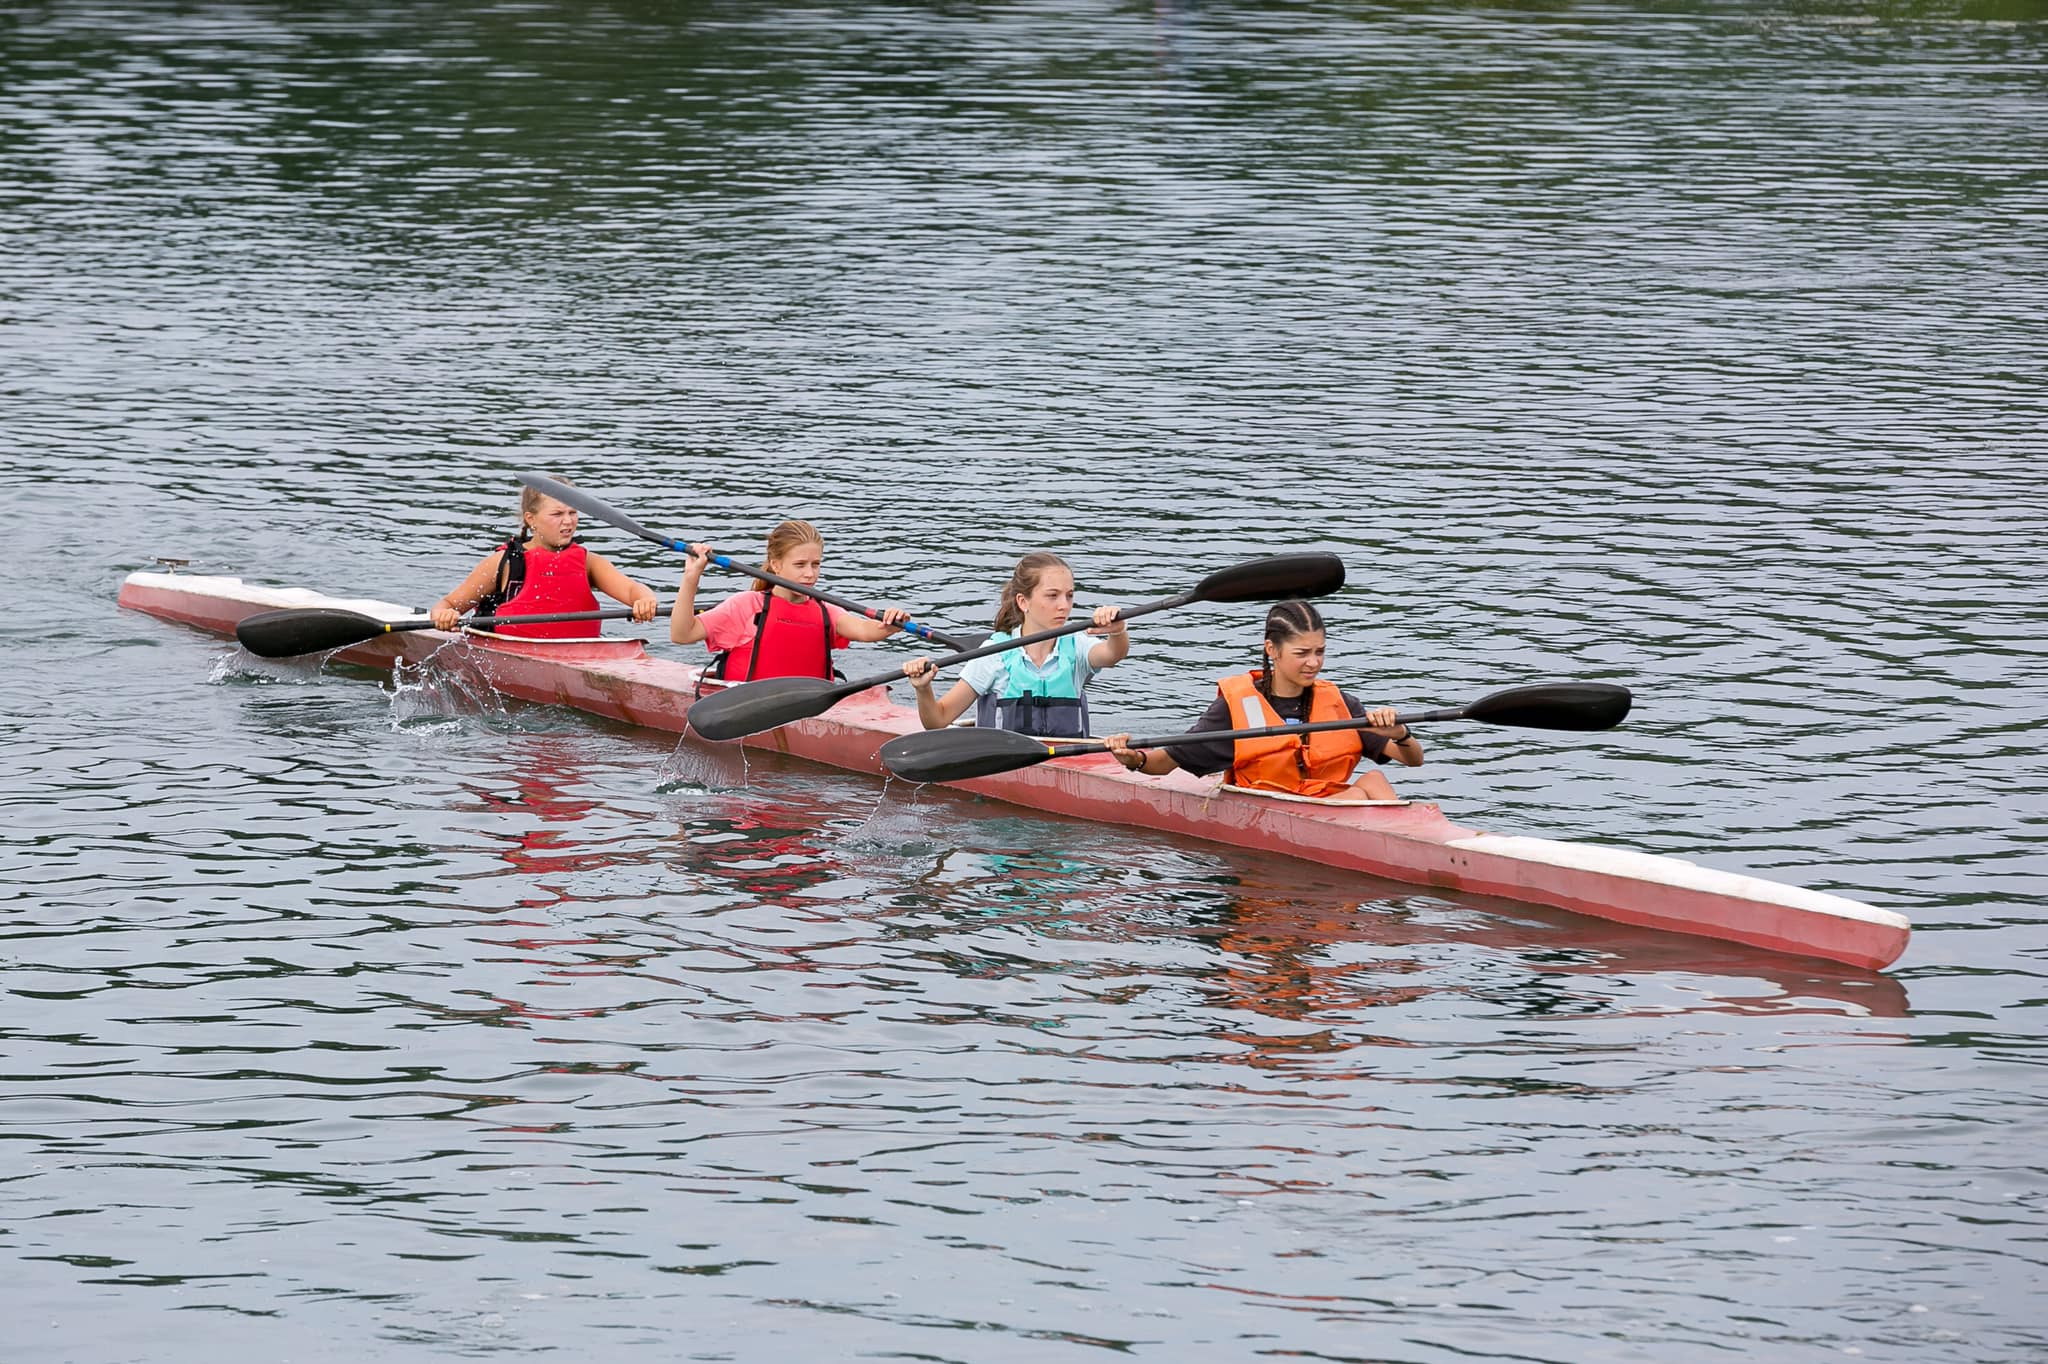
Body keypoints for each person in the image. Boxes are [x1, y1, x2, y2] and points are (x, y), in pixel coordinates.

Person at [1103, 599, 1422, 801]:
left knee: (1375, 778)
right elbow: (1167, 761)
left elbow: (1413, 759)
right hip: (1277, 808)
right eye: (1302, 653)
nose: (1313, 662)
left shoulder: (1340, 702)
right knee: (1355, 796)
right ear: (1272, 650)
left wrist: (1400, 735)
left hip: (1334, 805)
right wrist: (1135, 760)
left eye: (1319, 652)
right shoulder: (1235, 708)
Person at [904, 551, 1127, 736]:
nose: (1064, 606)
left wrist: (1117, 632)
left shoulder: (1077, 646)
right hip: (1003, 762)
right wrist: (923, 689)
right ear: (1023, 602)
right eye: (1052, 596)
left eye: (1069, 596)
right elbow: (937, 720)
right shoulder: (994, 655)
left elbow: (1112, 654)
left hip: (1067, 762)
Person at [669, 519, 910, 681]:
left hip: (807, 707)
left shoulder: (825, 611)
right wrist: (691, 577)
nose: (810, 573)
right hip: (747, 707)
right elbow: (682, 634)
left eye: (816, 564)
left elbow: (865, 631)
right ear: (776, 565)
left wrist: (890, 624)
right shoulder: (745, 605)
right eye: (800, 565)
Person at [430, 483, 658, 639]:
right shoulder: (504, 563)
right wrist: (444, 615)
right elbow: (448, 604)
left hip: (580, 655)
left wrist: (644, 599)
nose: (568, 521)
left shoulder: (590, 562)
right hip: (511, 655)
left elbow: (631, 589)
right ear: (531, 519)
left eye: (572, 513)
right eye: (557, 514)